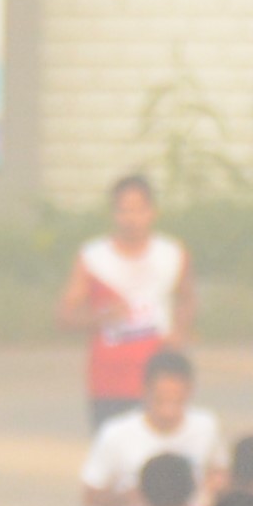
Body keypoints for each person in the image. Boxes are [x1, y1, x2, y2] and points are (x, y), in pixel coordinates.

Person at [56, 174, 193, 437]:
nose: (131, 219)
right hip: (109, 382)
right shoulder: (93, 258)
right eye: (123, 211)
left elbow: (187, 298)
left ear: (152, 212)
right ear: (113, 214)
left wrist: (179, 331)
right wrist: (99, 318)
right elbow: (64, 316)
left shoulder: (172, 255)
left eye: (138, 210)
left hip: (158, 384)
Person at [77, 349, 220, 506]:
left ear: (190, 391)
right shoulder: (116, 433)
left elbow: (219, 471)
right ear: (144, 390)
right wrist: (127, 498)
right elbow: (90, 496)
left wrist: (213, 485)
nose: (169, 412)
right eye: (161, 401)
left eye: (177, 401)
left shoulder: (206, 426)